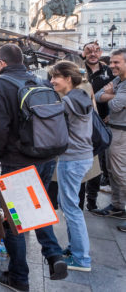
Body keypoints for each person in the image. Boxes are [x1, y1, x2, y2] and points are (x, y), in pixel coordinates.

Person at [0, 44, 66, 291]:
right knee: (36, 206)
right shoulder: (38, 80)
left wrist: (1, 155)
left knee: (14, 221)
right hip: (46, 156)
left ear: (1, 63)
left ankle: (19, 277)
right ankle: (54, 254)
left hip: (17, 160)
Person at [49, 61, 94, 272]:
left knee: (71, 209)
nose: (52, 81)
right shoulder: (81, 95)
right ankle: (74, 248)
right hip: (82, 156)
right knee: (69, 204)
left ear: (68, 78)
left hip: (72, 158)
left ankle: (81, 258)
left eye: (56, 77)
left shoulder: (68, 101)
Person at [94, 48, 126, 224]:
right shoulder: (118, 81)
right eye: (111, 62)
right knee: (112, 172)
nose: (111, 65)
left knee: (121, 174)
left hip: (122, 132)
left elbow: (114, 106)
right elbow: (98, 96)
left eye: (116, 62)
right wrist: (114, 95)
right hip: (114, 130)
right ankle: (118, 207)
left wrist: (113, 96)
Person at [82, 41, 114, 207]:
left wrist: (110, 114)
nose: (92, 54)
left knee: (97, 164)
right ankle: (79, 201)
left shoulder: (109, 71)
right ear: (83, 53)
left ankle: (92, 202)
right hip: (82, 123)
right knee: (82, 164)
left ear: (101, 53)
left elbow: (120, 91)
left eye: (96, 51)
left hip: (101, 123)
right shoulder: (78, 71)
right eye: (88, 51)